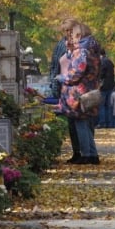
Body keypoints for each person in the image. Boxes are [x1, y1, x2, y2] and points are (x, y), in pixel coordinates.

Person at [55, 22, 102, 164]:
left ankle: (86, 154)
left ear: (79, 35)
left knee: (80, 123)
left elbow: (76, 72)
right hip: (89, 89)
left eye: (73, 35)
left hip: (78, 93)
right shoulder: (92, 49)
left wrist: (61, 78)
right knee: (86, 123)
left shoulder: (82, 50)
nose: (71, 38)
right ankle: (92, 154)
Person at [49, 18, 80, 162]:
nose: (68, 33)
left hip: (78, 87)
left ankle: (84, 152)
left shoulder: (81, 44)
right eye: (66, 30)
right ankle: (77, 152)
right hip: (64, 89)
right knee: (71, 122)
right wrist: (54, 85)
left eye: (71, 30)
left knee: (81, 121)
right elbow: (54, 66)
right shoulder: (60, 45)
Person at [97, 52, 115, 128]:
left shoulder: (102, 62)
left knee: (102, 105)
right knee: (109, 106)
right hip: (111, 85)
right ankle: (110, 123)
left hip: (103, 86)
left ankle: (102, 122)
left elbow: (101, 74)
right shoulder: (110, 62)